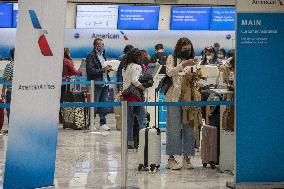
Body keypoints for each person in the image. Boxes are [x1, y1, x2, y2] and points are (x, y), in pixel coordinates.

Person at [165, 37, 201, 170]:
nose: (187, 50)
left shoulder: (194, 60)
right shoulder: (171, 58)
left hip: (189, 98)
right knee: (173, 128)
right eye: (184, 48)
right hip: (173, 98)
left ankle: (187, 157)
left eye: (189, 48)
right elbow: (169, 72)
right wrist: (184, 64)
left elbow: (195, 77)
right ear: (179, 48)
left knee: (189, 128)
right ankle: (171, 158)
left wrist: (195, 72)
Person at [121, 48, 146, 149]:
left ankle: (129, 142)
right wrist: (143, 87)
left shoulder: (126, 67)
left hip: (126, 95)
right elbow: (135, 81)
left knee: (129, 121)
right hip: (135, 96)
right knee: (142, 119)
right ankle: (143, 141)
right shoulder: (137, 66)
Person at [86, 38, 113, 131]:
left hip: (105, 83)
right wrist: (103, 69)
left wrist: (108, 69)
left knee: (104, 104)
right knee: (94, 104)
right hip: (96, 83)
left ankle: (103, 123)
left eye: (102, 44)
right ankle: (91, 123)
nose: (101, 46)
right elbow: (90, 71)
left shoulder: (103, 55)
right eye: (99, 45)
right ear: (95, 46)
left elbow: (104, 69)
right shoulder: (90, 56)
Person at [1, 48, 15, 126]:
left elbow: (5, 80)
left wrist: (3, 92)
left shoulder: (10, 66)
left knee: (10, 111)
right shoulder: (22, 66)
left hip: (11, 92)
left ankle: (12, 129)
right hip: (17, 92)